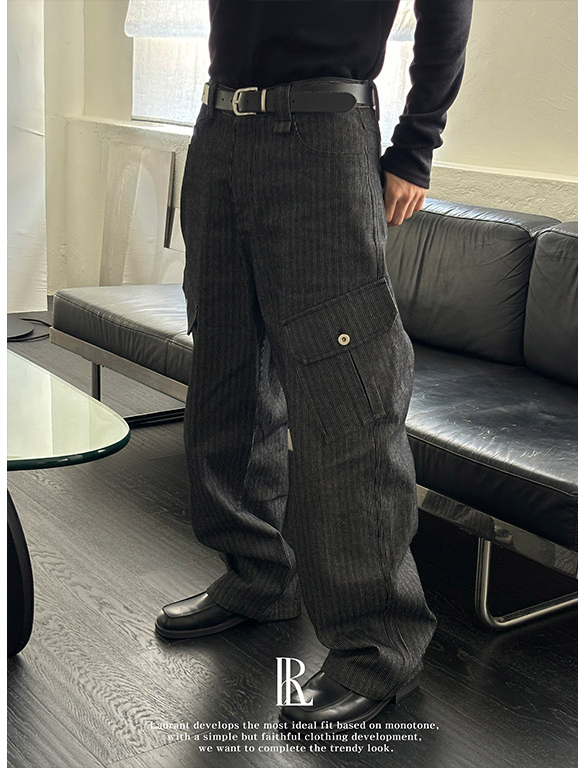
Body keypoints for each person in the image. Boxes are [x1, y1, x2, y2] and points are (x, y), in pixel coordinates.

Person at [155, 0, 474, 726]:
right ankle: (256, 575)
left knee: (348, 399)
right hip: (218, 133)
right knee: (225, 372)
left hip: (323, 137)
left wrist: (416, 144)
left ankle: (377, 647)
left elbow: (448, 10)